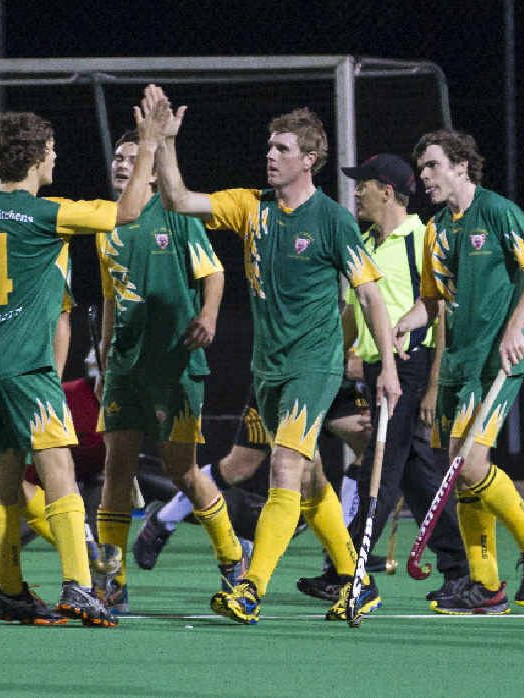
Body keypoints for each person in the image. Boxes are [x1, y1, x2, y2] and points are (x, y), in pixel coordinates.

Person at [147, 84, 401, 625]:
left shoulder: (332, 219)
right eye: (270, 146)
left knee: (284, 469)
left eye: (282, 148)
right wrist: (166, 142)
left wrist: (389, 370)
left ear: (308, 160)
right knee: (309, 480)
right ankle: (360, 579)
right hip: (268, 371)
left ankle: (251, 588)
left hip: (314, 366)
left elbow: (370, 293)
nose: (270, 154)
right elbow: (176, 199)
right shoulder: (250, 207)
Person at [0, 101, 164, 627]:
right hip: (25, 370)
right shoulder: (46, 215)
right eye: (52, 150)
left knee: (2, 483)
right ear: (36, 158)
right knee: (59, 473)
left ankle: (5, 590)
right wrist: (148, 143)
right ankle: (80, 587)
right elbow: (126, 213)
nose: (55, 158)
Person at [394, 130, 524, 614]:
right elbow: (434, 300)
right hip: (457, 365)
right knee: (458, 471)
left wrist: (515, 328)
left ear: (462, 166)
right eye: (421, 168)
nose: (423, 177)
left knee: (469, 465)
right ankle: (486, 586)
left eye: (431, 166)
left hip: (496, 360)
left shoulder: (498, 211)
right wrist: (408, 321)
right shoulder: (436, 229)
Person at [297, 153, 470, 605]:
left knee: (384, 469)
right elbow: (358, 313)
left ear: (387, 191)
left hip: (411, 366)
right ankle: (459, 569)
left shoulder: (422, 237)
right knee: (413, 474)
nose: (356, 193)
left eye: (363, 185)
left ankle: (348, 569)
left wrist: (433, 385)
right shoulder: (365, 245)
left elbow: (440, 315)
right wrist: (333, 353)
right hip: (377, 371)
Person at [95, 128, 247, 615]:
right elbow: (108, 298)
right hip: (124, 368)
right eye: (118, 157)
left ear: (155, 170)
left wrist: (209, 315)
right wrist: (102, 361)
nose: (122, 165)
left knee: (182, 469)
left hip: (175, 367)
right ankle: (111, 580)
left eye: (133, 158)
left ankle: (232, 561)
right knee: (115, 470)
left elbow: (215, 272)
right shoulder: (106, 222)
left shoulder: (176, 217)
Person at [132, 380, 372, 570]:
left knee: (366, 441)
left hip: (334, 384)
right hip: (289, 381)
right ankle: (163, 521)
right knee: (239, 467)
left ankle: (345, 548)